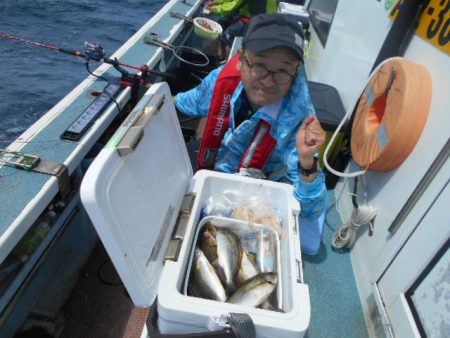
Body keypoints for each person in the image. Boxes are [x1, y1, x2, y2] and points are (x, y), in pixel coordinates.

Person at [175, 13, 328, 254]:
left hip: (256, 197)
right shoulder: (220, 82)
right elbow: (185, 104)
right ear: (240, 60)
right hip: (211, 174)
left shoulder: (300, 120)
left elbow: (312, 210)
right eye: (260, 65)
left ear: (295, 73)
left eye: (283, 71)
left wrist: (308, 160)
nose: (268, 81)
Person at [204, 0, 278, 59]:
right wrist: (217, 2)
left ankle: (226, 64)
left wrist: (214, 9)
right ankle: (221, 55)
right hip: (260, 15)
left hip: (255, 18)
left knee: (228, 36)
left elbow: (232, 5)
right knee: (222, 23)